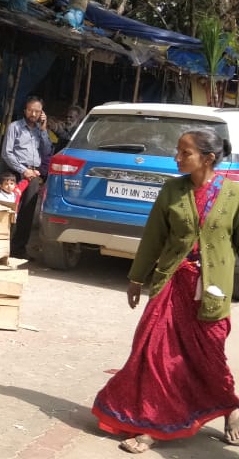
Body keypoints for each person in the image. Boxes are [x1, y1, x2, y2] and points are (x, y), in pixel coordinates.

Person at [91, 128, 239, 454]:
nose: (177, 158)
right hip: (171, 286)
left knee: (210, 359)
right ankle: (153, 423)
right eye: (178, 151)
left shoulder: (233, 195)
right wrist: (136, 278)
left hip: (211, 292)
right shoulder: (172, 190)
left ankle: (230, 408)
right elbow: (153, 237)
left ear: (208, 158)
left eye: (185, 153)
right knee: (156, 355)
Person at [2, 96, 53, 257]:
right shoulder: (15, 127)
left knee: (27, 212)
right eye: (31, 110)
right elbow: (7, 153)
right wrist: (23, 170)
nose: (34, 114)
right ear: (25, 110)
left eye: (37, 111)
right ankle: (2, 246)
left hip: (34, 175)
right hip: (16, 173)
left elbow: (47, 151)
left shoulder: (40, 130)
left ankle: (18, 249)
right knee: (9, 209)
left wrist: (43, 129)